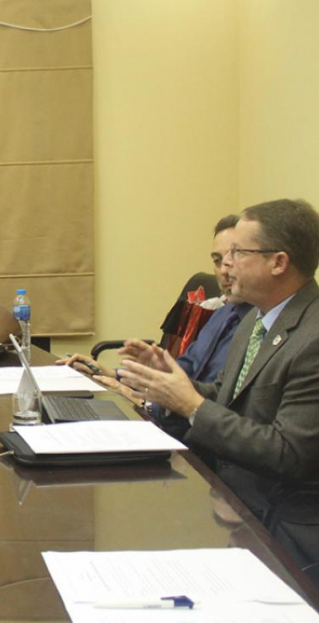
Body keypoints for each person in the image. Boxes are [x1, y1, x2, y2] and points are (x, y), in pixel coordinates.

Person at [114, 199, 319, 529]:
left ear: (278, 262)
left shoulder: (313, 338)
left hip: (280, 517)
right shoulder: (254, 319)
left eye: (238, 252)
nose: (226, 263)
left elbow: (288, 454)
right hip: (226, 488)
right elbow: (226, 395)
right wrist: (173, 383)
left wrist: (191, 404)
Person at [60, 214, 251, 397]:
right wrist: (114, 374)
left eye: (234, 256)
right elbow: (185, 369)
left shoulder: (259, 327)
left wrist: (144, 401)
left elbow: (213, 400)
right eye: (218, 261)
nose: (225, 269)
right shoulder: (222, 314)